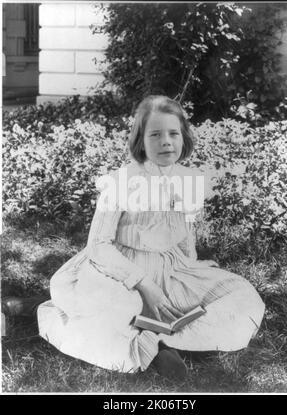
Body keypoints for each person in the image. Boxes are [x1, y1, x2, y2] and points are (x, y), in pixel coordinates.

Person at [3, 96, 265, 381]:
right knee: (120, 309)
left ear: (183, 137)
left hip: (169, 268)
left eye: (173, 133)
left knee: (241, 294)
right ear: (141, 141)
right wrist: (144, 283)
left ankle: (167, 341)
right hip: (118, 271)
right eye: (155, 134)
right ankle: (46, 307)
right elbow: (99, 246)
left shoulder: (186, 180)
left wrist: (192, 264)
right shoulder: (121, 183)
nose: (166, 142)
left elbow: (182, 231)